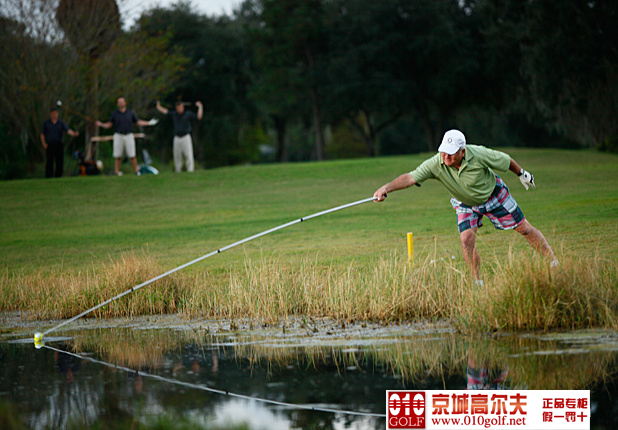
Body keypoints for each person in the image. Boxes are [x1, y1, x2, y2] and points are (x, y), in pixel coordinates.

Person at [373, 129, 558, 285]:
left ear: (462, 151)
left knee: (524, 229)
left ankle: (554, 264)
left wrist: (522, 173)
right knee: (466, 240)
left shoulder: (478, 154)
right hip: (465, 203)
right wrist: (386, 188)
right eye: (444, 151)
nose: (446, 156)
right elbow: (410, 178)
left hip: (493, 195)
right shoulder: (437, 162)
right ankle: (477, 283)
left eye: (451, 152)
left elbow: (505, 160)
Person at [95, 96, 158, 176]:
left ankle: (136, 171)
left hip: (129, 135)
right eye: (119, 102)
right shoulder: (114, 114)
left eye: (122, 101)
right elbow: (109, 125)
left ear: (125, 103)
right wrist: (100, 124)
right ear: (118, 104)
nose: (121, 103)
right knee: (117, 155)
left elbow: (138, 122)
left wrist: (149, 123)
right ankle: (116, 172)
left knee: (132, 154)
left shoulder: (130, 113)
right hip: (118, 135)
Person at [156, 100, 203, 172]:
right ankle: (178, 171)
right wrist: (158, 106)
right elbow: (165, 111)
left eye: (181, 107)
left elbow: (198, 117)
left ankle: (190, 170)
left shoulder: (188, 114)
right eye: (178, 107)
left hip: (185, 137)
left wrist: (200, 107)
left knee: (188, 155)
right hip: (177, 137)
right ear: (176, 108)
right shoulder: (174, 114)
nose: (180, 109)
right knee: (177, 156)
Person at [40, 107, 79, 178]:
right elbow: (42, 134)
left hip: (58, 144)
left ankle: (58, 176)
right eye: (53, 113)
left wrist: (73, 133)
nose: (54, 114)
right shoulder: (46, 123)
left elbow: (67, 130)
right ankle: (49, 176)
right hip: (50, 144)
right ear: (50, 114)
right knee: (49, 161)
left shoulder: (61, 123)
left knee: (59, 161)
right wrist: (44, 143)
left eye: (56, 113)